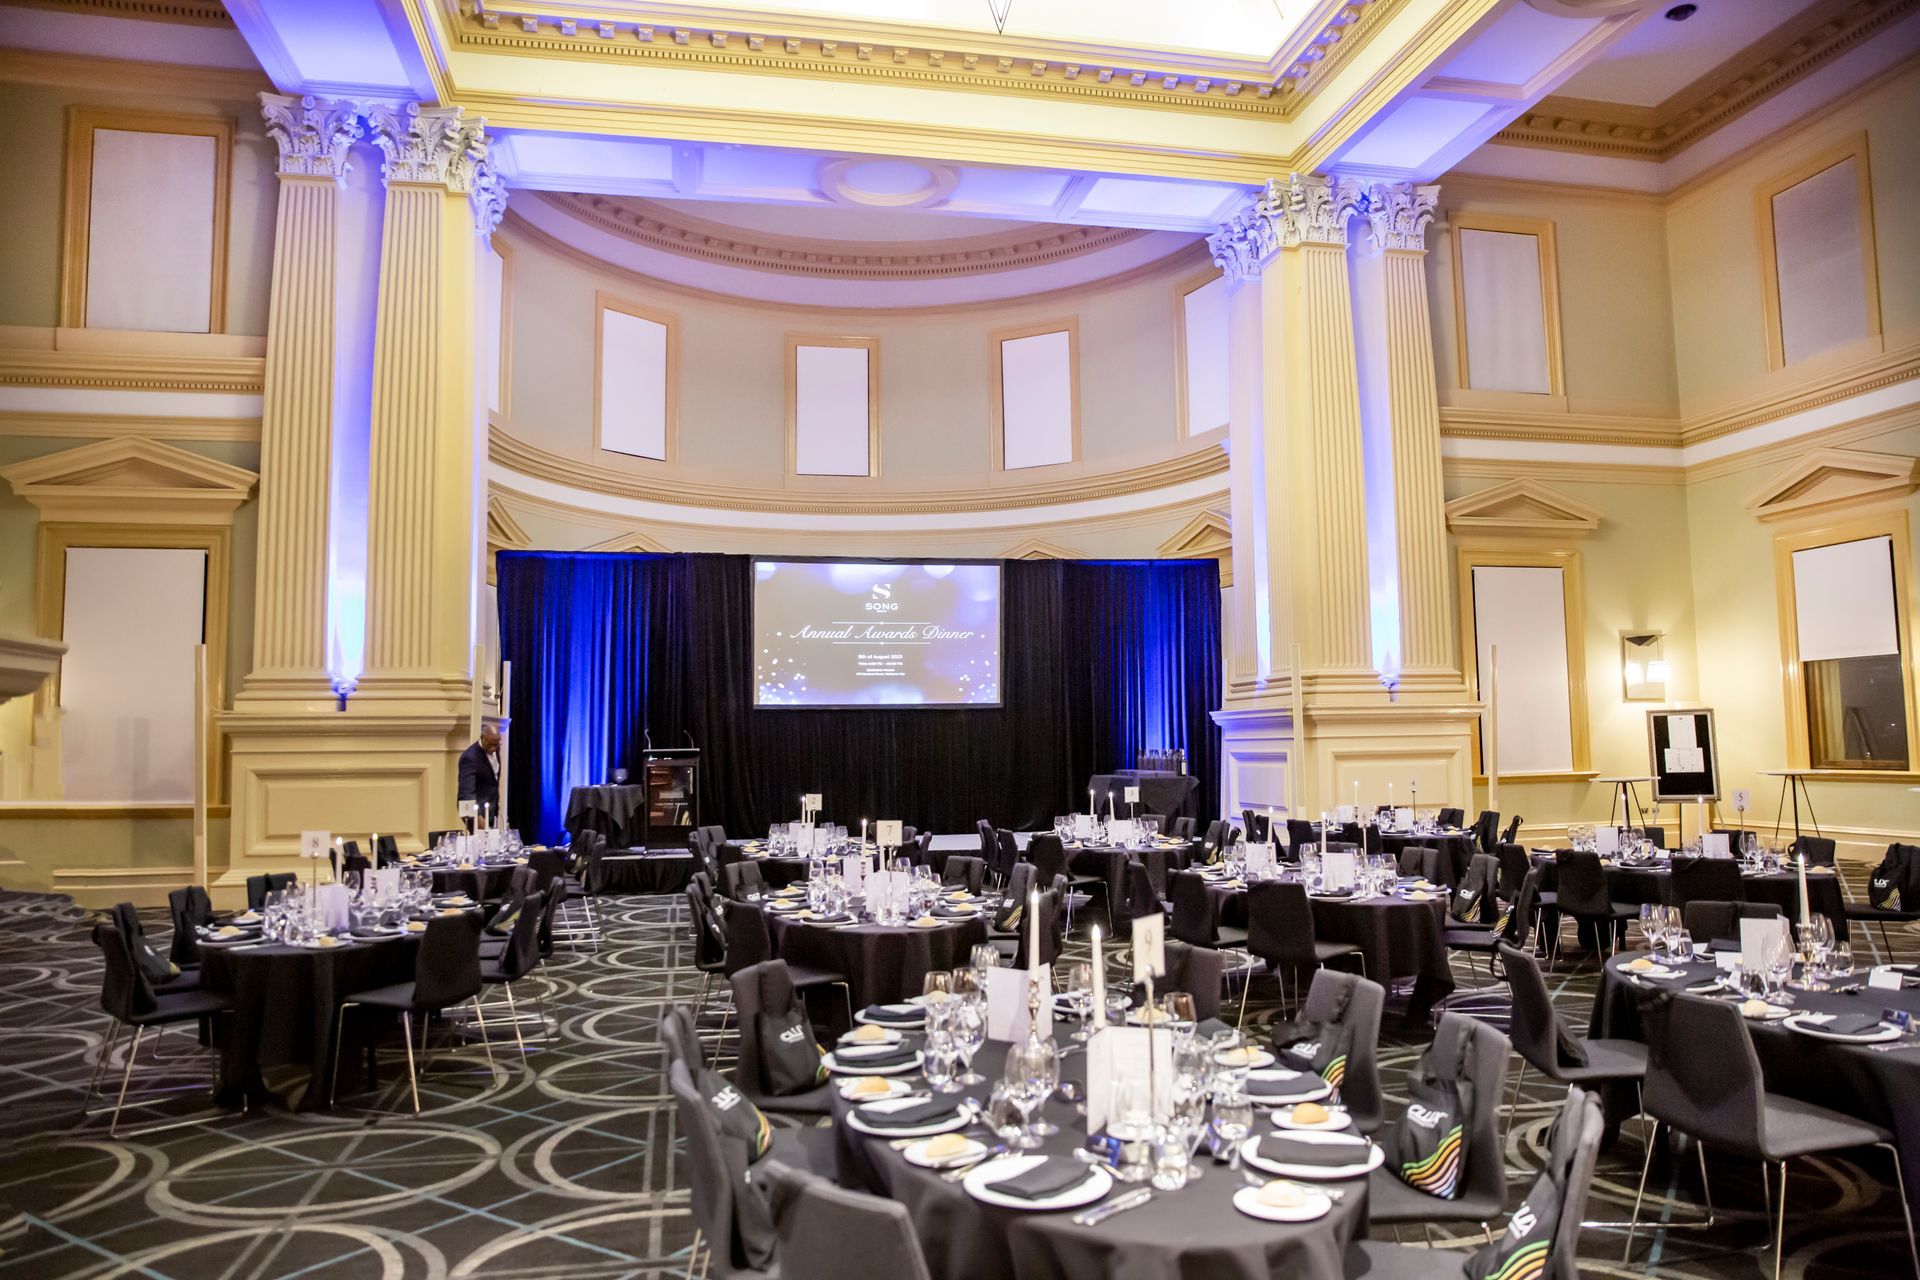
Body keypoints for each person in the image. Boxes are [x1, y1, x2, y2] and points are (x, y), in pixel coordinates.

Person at [458, 724, 501, 828]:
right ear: (482, 739)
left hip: (490, 810)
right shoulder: (469, 758)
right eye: (490, 745)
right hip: (476, 813)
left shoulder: (495, 749)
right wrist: (476, 817)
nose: (493, 749)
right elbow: (466, 791)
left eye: (496, 745)